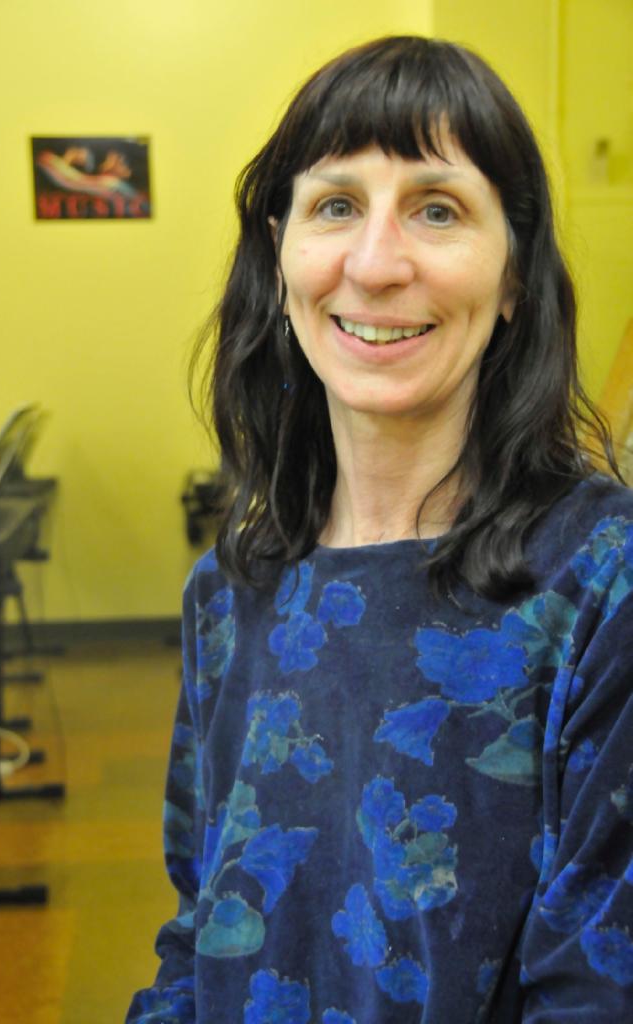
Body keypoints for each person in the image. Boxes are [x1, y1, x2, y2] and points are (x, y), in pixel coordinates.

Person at [126, 36, 633, 1023]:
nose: (374, 263)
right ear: (280, 256)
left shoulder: (601, 583)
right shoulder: (229, 591)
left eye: (437, 209)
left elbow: (596, 993)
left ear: (515, 275)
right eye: (336, 206)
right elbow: (198, 933)